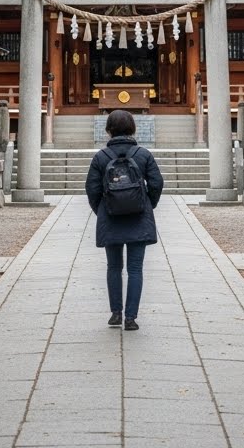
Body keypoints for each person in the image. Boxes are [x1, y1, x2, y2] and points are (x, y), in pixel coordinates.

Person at [85, 109, 164, 331]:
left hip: (110, 217)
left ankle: (115, 314)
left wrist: (102, 209)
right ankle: (131, 318)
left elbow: (92, 189)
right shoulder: (144, 154)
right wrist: (147, 204)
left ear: (109, 130)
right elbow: (157, 183)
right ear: (133, 128)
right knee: (136, 268)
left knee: (113, 267)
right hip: (139, 216)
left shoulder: (101, 157)